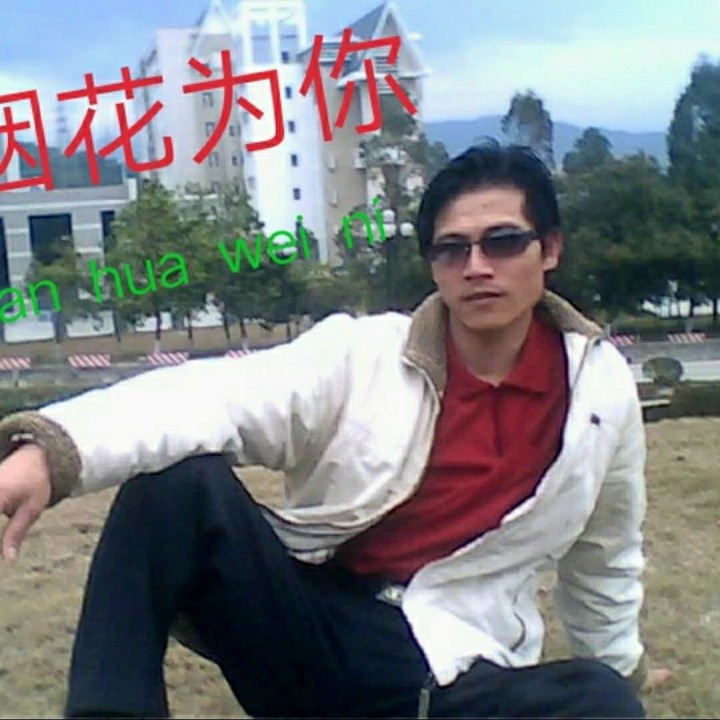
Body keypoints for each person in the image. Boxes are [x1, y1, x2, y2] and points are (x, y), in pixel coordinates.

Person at [0, 144, 668, 719]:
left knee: (602, 701)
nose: (476, 266)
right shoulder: (363, 355)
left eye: (502, 241)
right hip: (314, 634)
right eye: (452, 249)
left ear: (550, 249)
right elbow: (211, 396)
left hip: (460, 664)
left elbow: (605, 552)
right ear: (432, 264)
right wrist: (50, 454)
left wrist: (620, 665)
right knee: (176, 486)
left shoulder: (597, 391)